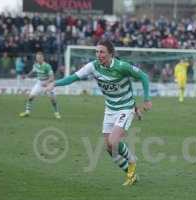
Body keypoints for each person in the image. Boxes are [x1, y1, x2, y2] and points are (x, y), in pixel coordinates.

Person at [46, 39, 152, 186]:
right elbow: (73, 77)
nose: (98, 54)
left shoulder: (122, 66)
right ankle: (131, 174)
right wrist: (55, 84)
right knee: (109, 147)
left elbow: (144, 77)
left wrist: (147, 100)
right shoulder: (93, 66)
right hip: (110, 109)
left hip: (125, 108)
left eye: (102, 52)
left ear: (110, 54)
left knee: (113, 141)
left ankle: (132, 160)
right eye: (96, 51)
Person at [19, 52, 60, 119]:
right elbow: (32, 71)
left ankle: (56, 113)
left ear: (43, 58)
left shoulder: (47, 66)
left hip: (48, 84)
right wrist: (26, 76)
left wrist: (46, 82)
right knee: (30, 97)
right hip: (39, 83)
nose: (38, 59)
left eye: (40, 58)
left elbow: (52, 77)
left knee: (53, 100)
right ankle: (27, 112)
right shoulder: (35, 65)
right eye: (37, 58)